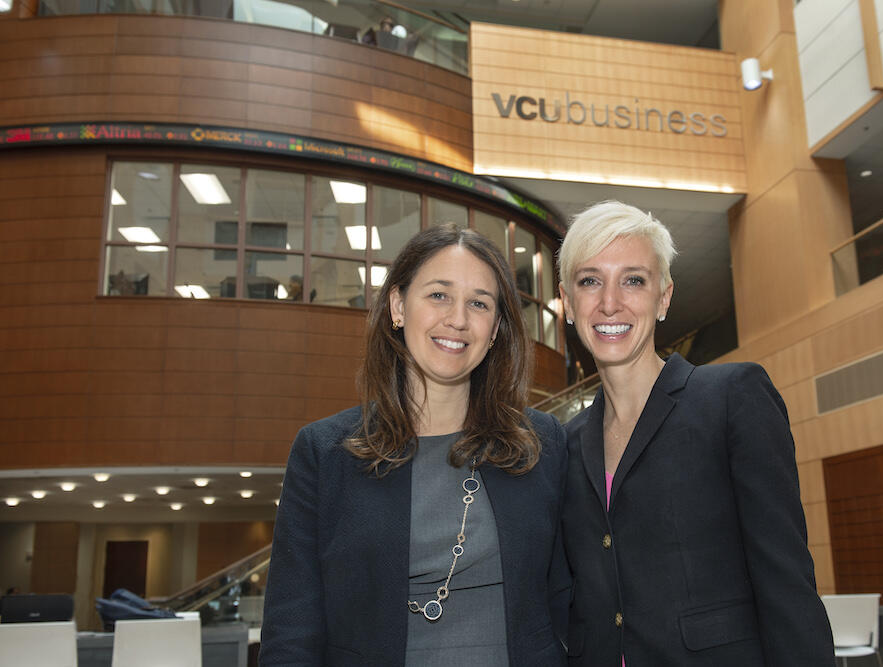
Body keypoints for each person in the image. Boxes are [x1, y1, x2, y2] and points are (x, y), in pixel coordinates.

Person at [260, 224, 569, 666]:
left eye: (478, 303)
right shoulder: (324, 453)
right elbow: (292, 631)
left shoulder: (542, 444)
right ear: (398, 306)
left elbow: (573, 599)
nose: (458, 319)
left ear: (496, 327)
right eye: (439, 295)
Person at [557, 201, 834, 666]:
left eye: (633, 280)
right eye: (590, 281)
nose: (609, 302)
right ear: (566, 301)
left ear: (664, 297)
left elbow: (785, 580)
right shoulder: (565, 442)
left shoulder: (730, 398)